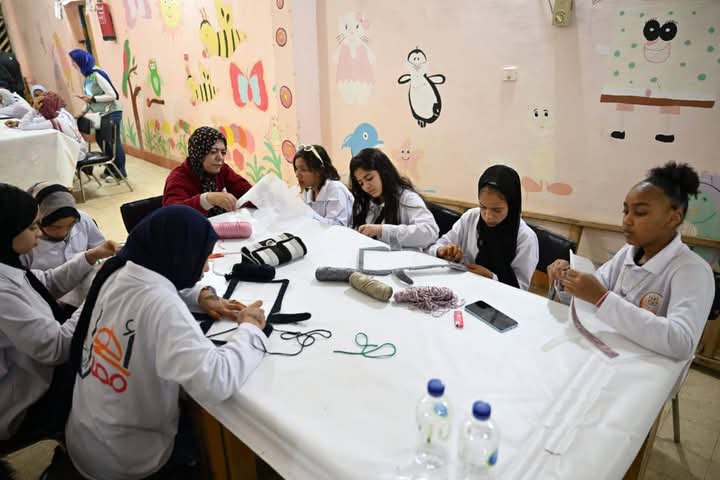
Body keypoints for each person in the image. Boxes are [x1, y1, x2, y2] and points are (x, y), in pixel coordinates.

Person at [65, 205, 267, 479]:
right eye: (203, 257)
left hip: (86, 441)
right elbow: (216, 380)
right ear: (179, 255)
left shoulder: (118, 272)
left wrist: (201, 295)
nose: (206, 267)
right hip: (127, 461)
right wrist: (250, 328)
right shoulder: (162, 305)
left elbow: (160, 283)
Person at [548, 162, 715, 360]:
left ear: (673, 218)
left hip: (648, 367)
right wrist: (567, 281)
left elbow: (682, 343)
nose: (627, 220)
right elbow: (590, 299)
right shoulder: (629, 252)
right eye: (625, 211)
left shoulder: (692, 270)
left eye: (640, 213)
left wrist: (602, 298)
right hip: (607, 353)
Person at [0, 183, 117, 449]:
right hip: (29, 391)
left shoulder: (9, 263)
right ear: (7, 231)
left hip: (40, 359)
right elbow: (55, 349)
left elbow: (45, 283)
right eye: (32, 227)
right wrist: (95, 296)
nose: (39, 234)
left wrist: (90, 256)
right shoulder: (3, 292)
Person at [428, 165, 539, 290]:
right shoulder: (471, 217)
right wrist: (442, 251)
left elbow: (521, 289)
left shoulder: (525, 238)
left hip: (498, 298)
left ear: (512, 206)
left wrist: (491, 277)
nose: (488, 216)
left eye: (497, 210)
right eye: (483, 207)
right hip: (462, 289)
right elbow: (436, 246)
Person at [350, 148, 438, 248]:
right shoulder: (369, 201)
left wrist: (382, 230)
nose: (366, 187)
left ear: (383, 172)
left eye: (369, 178)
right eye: (361, 183)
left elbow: (430, 232)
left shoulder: (408, 198)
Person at [163, 126, 253, 217]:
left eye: (223, 152)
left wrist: (259, 194)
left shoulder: (222, 169)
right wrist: (207, 199)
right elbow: (171, 214)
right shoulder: (178, 177)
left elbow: (246, 191)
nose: (220, 158)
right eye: (213, 151)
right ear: (198, 153)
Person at [68, 49, 126, 179]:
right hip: (101, 114)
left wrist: (93, 99)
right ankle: (111, 169)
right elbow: (90, 99)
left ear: (81, 61)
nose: (72, 64)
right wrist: (81, 112)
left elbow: (113, 95)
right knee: (101, 140)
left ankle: (120, 172)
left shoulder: (97, 74)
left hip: (111, 112)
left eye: (74, 62)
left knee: (112, 142)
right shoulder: (88, 77)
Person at [6, 91, 88, 162]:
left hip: (77, 155)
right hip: (81, 149)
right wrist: (18, 123)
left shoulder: (54, 122)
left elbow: (24, 126)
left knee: (37, 156)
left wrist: (34, 109)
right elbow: (37, 121)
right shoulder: (61, 113)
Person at [293, 144, 353, 226]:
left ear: (320, 170)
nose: (297, 174)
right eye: (296, 169)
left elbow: (337, 226)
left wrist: (307, 213)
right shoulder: (308, 192)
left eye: (303, 169)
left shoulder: (335, 189)